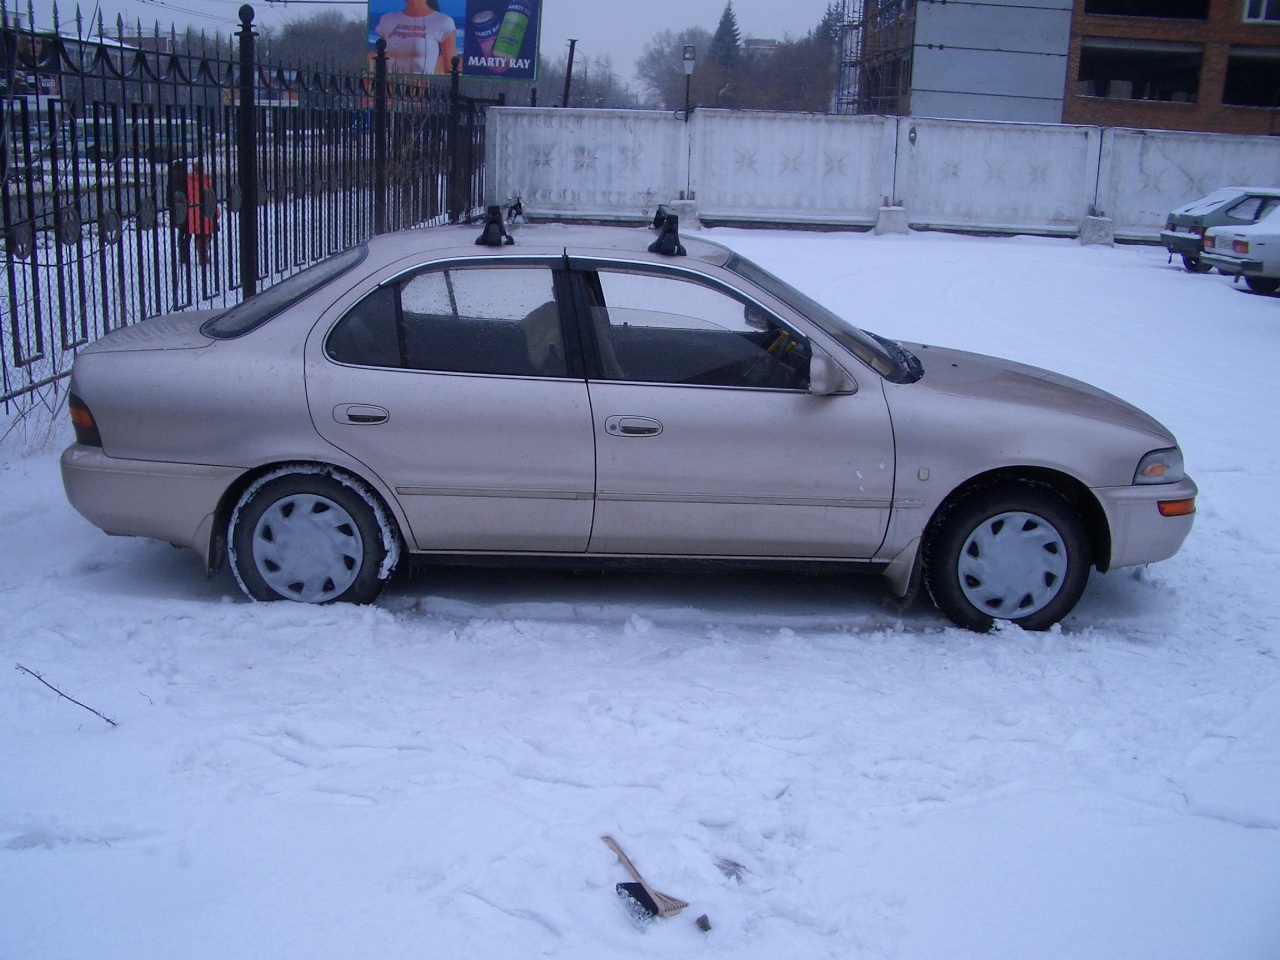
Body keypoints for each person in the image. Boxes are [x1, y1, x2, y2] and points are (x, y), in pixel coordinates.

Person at [375, 0, 457, 75]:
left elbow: (452, 69)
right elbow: (379, 59)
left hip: (421, 89)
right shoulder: (387, 20)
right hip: (390, 88)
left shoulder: (443, 21)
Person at [186, 160, 217, 266]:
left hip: (193, 211)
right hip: (206, 210)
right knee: (207, 234)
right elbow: (211, 197)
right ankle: (205, 254)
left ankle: (201, 255)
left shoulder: (189, 180)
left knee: (198, 235)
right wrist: (216, 212)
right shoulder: (207, 181)